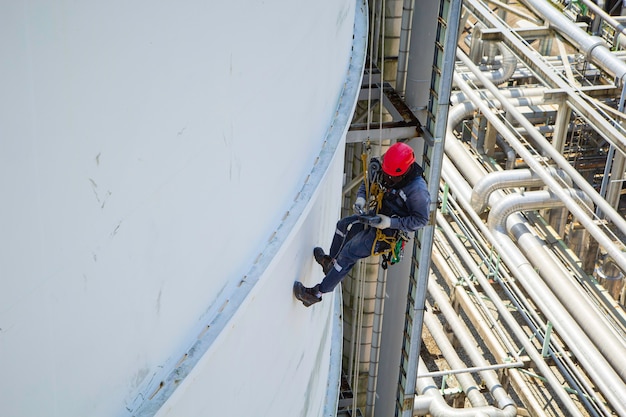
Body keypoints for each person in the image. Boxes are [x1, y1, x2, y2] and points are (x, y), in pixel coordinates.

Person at [294, 142, 431, 307]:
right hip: (376, 216)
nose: (386, 178)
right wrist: (361, 198)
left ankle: (316, 294)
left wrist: (390, 223)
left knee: (349, 253)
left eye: (390, 177)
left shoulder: (417, 190)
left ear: (403, 172)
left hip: (387, 233)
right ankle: (331, 264)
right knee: (343, 225)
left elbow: (421, 220)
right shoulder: (387, 165)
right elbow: (370, 181)